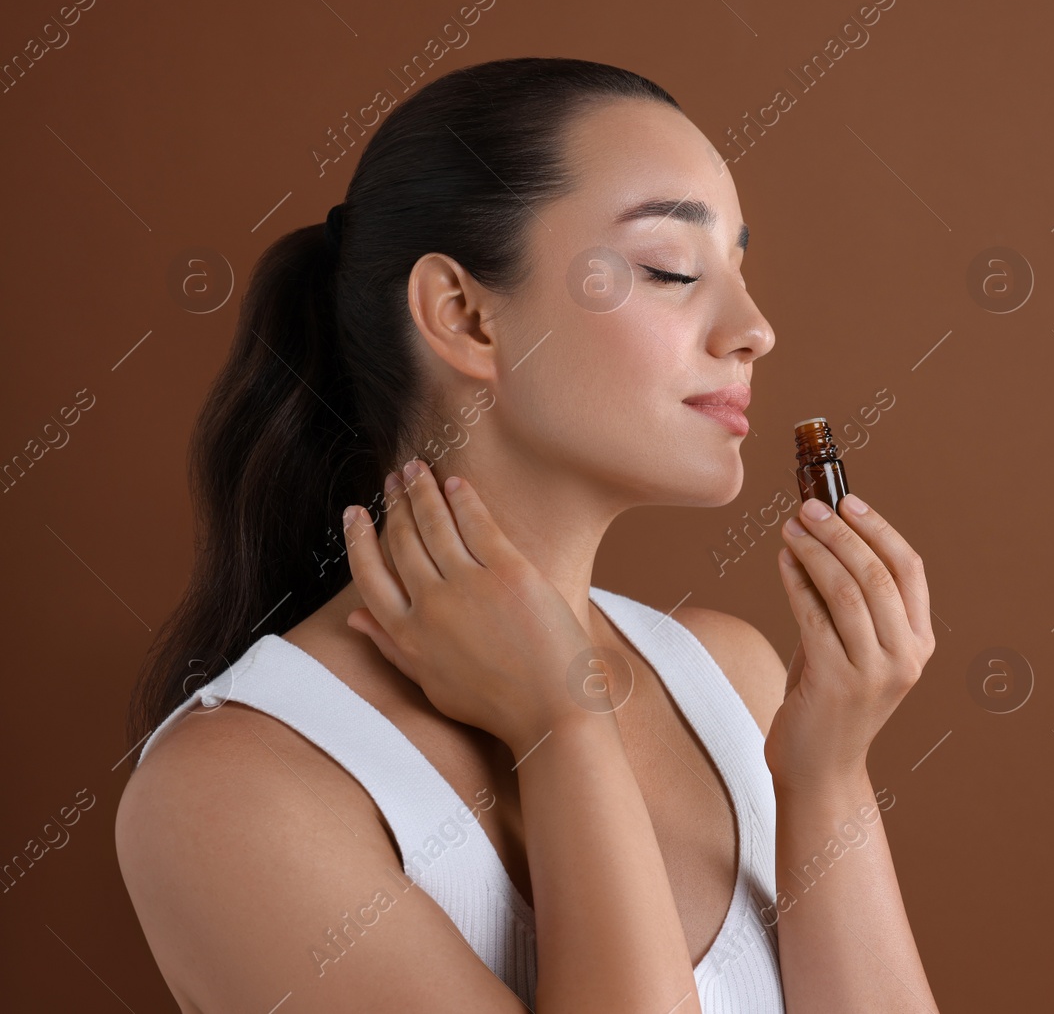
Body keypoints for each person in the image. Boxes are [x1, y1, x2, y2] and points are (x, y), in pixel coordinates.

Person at [115, 56, 939, 1013]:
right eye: (672, 268)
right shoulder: (234, 794)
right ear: (464, 316)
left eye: (739, 268)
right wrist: (564, 730)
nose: (754, 328)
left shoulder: (738, 682)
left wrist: (824, 777)